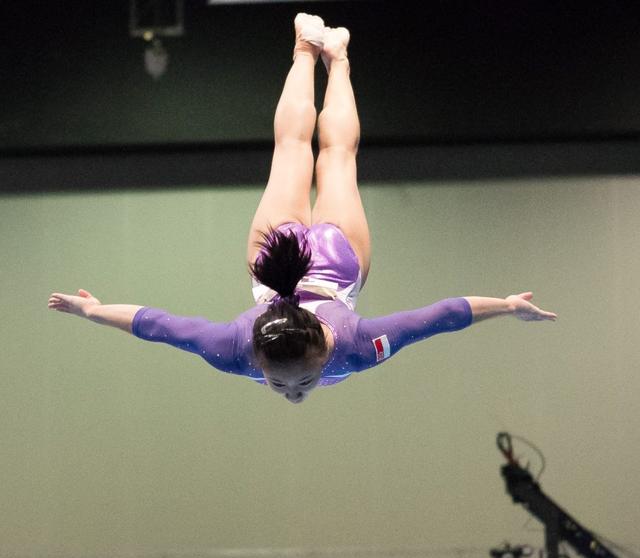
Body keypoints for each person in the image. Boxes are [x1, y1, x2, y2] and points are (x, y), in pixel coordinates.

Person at [48, 14, 556, 406]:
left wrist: (95, 311)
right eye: (296, 382)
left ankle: (331, 54)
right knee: (299, 150)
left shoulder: (354, 347)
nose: (294, 392)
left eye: (291, 382)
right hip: (281, 257)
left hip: (335, 263)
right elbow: (156, 325)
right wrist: (506, 306)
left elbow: (154, 324)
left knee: (328, 155)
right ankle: (309, 50)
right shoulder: (244, 347)